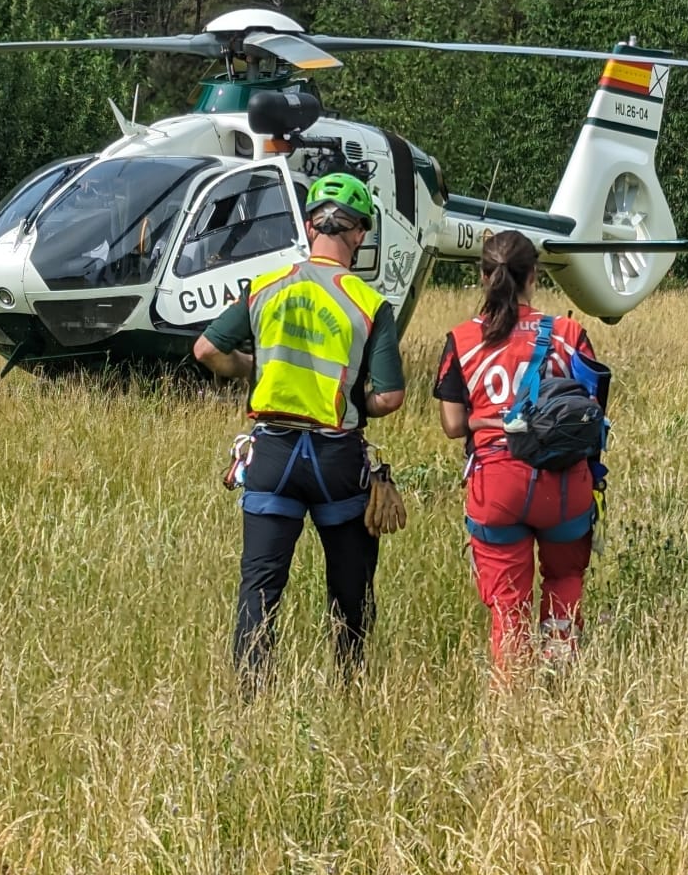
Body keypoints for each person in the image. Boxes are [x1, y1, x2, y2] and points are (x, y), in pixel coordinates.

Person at [194, 172, 406, 689]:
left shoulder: (266, 287)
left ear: (311, 225)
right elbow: (389, 397)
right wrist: (353, 401)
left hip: (272, 452)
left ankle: (251, 695)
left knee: (261, 585)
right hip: (336, 457)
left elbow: (205, 350)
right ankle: (349, 685)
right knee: (350, 585)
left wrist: (253, 369)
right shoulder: (369, 304)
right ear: (357, 234)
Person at [433, 230, 602, 671]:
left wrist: (485, 420)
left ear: (484, 276)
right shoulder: (569, 333)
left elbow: (452, 425)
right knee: (565, 580)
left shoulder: (462, 340)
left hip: (496, 483)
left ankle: (513, 703)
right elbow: (593, 413)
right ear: (535, 276)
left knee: (509, 607)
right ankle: (560, 680)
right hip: (564, 485)